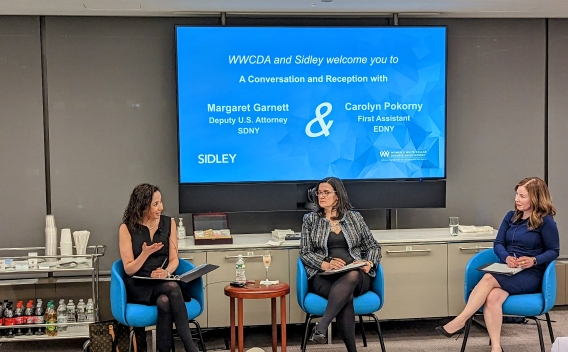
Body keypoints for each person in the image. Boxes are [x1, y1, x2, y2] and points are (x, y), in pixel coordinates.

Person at [436, 177, 559, 352]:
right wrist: (507, 257)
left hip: (530, 274)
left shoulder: (545, 221)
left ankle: (460, 320)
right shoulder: (511, 216)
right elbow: (498, 244)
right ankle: (496, 347)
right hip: (508, 269)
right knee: (493, 297)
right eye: (517, 194)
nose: (517, 199)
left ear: (536, 198)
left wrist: (533, 260)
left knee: (487, 278)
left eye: (522, 196)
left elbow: (554, 251)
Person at [300, 177, 382, 352]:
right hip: (324, 277)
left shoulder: (354, 218)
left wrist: (369, 262)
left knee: (351, 275)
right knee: (346, 297)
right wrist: (324, 264)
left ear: (337, 196)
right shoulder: (310, 220)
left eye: (326, 192)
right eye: (319, 193)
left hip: (357, 276)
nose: (321, 196)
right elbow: (305, 253)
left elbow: (373, 246)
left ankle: (321, 327)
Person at [119, 183, 199, 352]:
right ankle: (190, 348)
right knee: (172, 287)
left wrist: (167, 272)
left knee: (164, 301)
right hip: (139, 284)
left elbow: (174, 259)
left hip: (162, 280)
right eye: (155, 204)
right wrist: (145, 254)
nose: (160, 207)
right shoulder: (126, 228)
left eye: (160, 202)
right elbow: (129, 270)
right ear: (142, 206)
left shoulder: (169, 223)